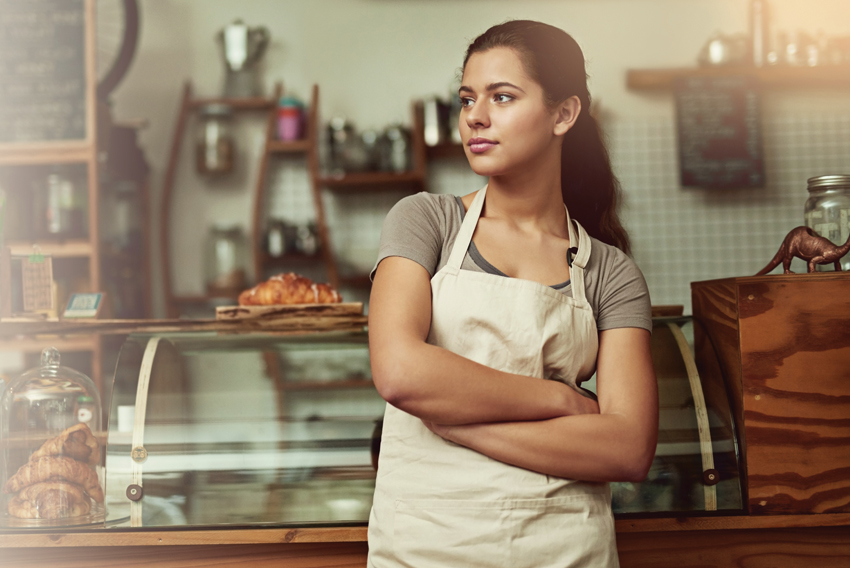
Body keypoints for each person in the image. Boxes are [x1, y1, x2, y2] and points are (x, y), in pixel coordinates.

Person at [367, 20, 658, 568]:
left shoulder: (610, 273)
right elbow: (400, 372)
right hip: (423, 549)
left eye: (502, 97)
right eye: (467, 98)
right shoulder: (426, 222)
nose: (475, 116)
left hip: (565, 551)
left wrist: (453, 421)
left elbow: (627, 448)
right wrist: (559, 400)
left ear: (563, 114)